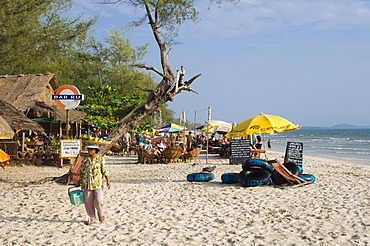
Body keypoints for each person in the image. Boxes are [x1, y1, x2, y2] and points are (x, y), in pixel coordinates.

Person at [78, 145, 111, 225]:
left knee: (99, 201)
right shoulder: (85, 160)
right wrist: (78, 181)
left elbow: (104, 170)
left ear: (95, 150)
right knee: (88, 202)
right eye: (89, 149)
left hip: (98, 183)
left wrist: (108, 181)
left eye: (91, 149)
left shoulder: (100, 159)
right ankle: (92, 218)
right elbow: (82, 172)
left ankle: (101, 213)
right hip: (86, 183)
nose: (90, 151)